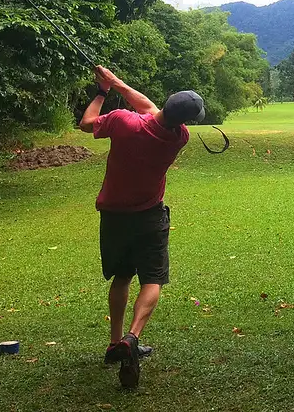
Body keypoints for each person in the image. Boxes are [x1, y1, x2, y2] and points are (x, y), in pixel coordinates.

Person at [79, 65, 205, 390]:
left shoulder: (123, 122)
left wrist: (104, 90)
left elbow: (87, 123)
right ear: (186, 120)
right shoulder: (179, 137)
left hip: (114, 216)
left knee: (122, 276)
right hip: (149, 216)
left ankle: (114, 343)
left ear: (167, 102)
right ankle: (132, 338)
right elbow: (149, 110)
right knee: (153, 278)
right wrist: (116, 82)